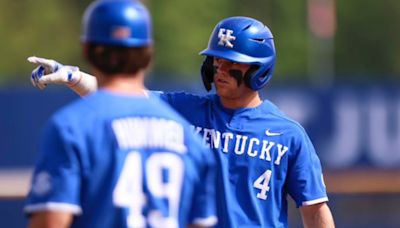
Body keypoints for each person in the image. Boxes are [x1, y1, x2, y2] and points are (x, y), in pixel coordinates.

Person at [29, 15, 335, 227]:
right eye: (217, 60)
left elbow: (314, 208)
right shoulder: (187, 110)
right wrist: (74, 77)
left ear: (259, 70)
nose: (219, 70)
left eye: (232, 64)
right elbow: (130, 98)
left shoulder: (288, 134)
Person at [24, 1, 218, 228]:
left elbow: (50, 223)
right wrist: (73, 78)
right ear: (149, 54)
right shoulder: (190, 138)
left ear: (86, 50)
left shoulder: (70, 127)